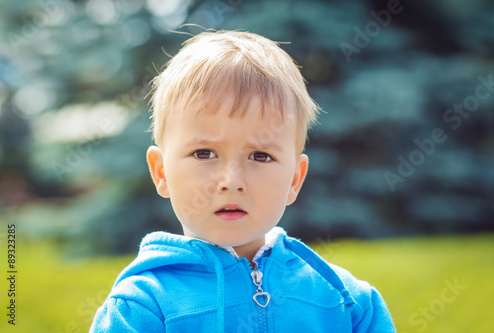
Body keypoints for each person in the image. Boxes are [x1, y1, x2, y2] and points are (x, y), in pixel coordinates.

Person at [90, 30, 396, 332]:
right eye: (204, 153)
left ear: (294, 179)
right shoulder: (140, 308)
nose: (231, 181)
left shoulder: (347, 304)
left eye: (260, 156)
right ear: (160, 172)